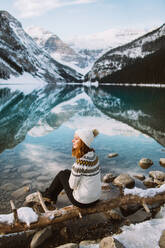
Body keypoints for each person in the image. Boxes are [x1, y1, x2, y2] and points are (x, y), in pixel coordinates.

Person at [28, 128, 101, 209]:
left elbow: (72, 185)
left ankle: (48, 196)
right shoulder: (94, 156)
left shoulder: (81, 162)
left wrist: (74, 179)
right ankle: (49, 196)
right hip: (95, 198)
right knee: (66, 172)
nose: (73, 141)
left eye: (76, 139)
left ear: (83, 142)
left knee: (62, 175)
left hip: (82, 202)